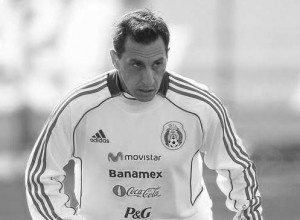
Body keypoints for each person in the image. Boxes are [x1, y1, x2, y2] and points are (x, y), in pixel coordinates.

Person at [25, 8, 263, 220]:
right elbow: (40, 177)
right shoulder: (78, 107)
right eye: (136, 64)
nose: (149, 79)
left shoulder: (199, 105)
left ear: (167, 55)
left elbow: (237, 168)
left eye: (158, 63)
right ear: (115, 59)